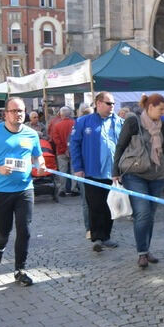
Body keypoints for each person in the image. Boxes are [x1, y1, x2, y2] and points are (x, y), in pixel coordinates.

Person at [0, 97, 45, 287]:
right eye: (14, 111)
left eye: (21, 110)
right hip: (0, 190)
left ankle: (20, 269)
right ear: (5, 114)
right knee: (4, 230)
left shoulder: (31, 134)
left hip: (24, 189)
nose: (18, 114)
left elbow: (37, 156)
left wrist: (41, 165)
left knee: (25, 229)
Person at [112, 94, 164, 268]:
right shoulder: (133, 122)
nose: (163, 112)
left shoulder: (163, 125)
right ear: (150, 107)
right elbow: (120, 145)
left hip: (157, 174)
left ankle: (146, 250)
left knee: (150, 215)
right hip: (135, 174)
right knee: (143, 212)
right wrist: (115, 170)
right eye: (160, 109)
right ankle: (141, 253)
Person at [70, 92, 123, 252]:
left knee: (109, 205)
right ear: (98, 103)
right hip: (91, 172)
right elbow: (74, 145)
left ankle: (106, 235)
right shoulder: (83, 122)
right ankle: (97, 237)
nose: (112, 106)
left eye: (113, 103)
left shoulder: (119, 122)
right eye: (109, 103)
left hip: (112, 173)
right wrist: (78, 168)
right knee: (94, 205)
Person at [49, 107, 77, 197]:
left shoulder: (57, 125)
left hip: (61, 151)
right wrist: (69, 149)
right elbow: (76, 138)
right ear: (70, 114)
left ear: (61, 115)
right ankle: (74, 189)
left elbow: (56, 139)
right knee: (74, 170)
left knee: (62, 171)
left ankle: (62, 189)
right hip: (73, 150)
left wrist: (64, 149)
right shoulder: (75, 124)